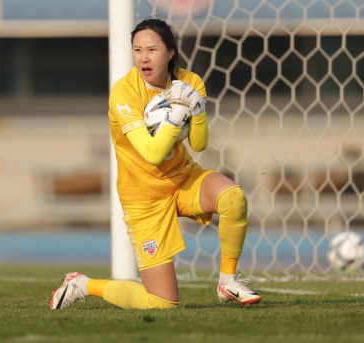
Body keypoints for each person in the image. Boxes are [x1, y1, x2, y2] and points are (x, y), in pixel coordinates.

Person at [50, 18, 261, 310]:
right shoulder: (124, 93)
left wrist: (197, 111)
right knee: (163, 304)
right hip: (144, 200)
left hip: (181, 179)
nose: (144, 57)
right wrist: (175, 117)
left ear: (170, 52)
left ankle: (227, 281)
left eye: (152, 49)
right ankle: (82, 284)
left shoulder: (190, 82)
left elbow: (199, 145)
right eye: (137, 50)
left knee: (233, 197)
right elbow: (151, 153)